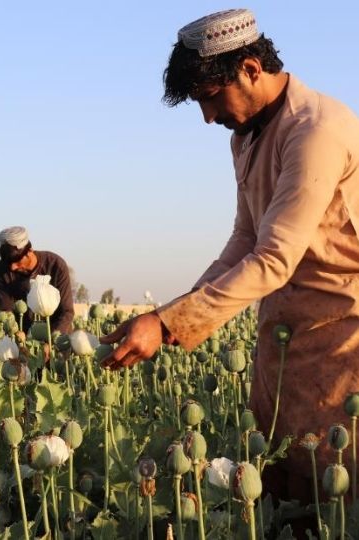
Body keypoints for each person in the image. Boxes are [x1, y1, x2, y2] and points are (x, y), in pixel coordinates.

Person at [100, 8, 359, 511]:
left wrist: (168, 321)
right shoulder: (248, 136)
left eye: (211, 98)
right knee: (281, 480)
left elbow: (275, 257)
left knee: (333, 485)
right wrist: (167, 318)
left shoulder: (315, 131)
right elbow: (245, 239)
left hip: (338, 333)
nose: (208, 118)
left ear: (250, 68)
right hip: (280, 334)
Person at [0, 226, 74, 334]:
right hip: (23, 339)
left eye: (16, 260)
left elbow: (67, 312)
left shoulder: (55, 265)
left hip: (57, 336)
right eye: (8, 262)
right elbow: (5, 310)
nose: (12, 267)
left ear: (29, 251)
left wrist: (53, 340)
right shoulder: (1, 269)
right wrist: (16, 335)